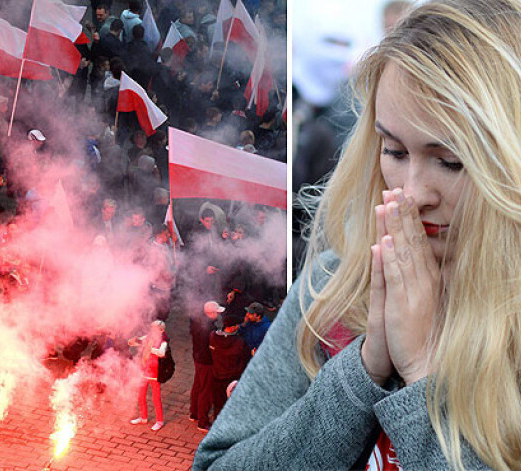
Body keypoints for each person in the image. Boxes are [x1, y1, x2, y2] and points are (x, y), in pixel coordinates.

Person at [193, 1, 521, 469]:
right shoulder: (331, 286)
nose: (411, 193)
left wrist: (424, 375)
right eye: (395, 151)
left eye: (450, 161)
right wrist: (362, 369)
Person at [128, 320, 168, 432]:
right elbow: (139, 341)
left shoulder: (164, 341)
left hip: (154, 372)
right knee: (141, 395)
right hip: (144, 369)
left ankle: (159, 421)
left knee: (156, 398)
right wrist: (132, 342)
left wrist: (149, 348)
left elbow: (161, 353)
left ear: (161, 330)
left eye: (155, 328)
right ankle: (143, 417)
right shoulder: (148, 337)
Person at [190, 301, 224, 433]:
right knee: (206, 390)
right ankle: (202, 421)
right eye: (217, 312)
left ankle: (194, 413)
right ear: (210, 313)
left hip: (197, 358)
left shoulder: (197, 322)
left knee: (198, 385)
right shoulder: (209, 329)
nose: (219, 315)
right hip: (207, 361)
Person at [208, 315, 250, 419]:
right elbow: (245, 359)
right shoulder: (239, 342)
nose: (238, 327)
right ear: (232, 327)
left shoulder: (213, 337)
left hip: (216, 376)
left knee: (218, 404)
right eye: (236, 325)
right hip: (232, 379)